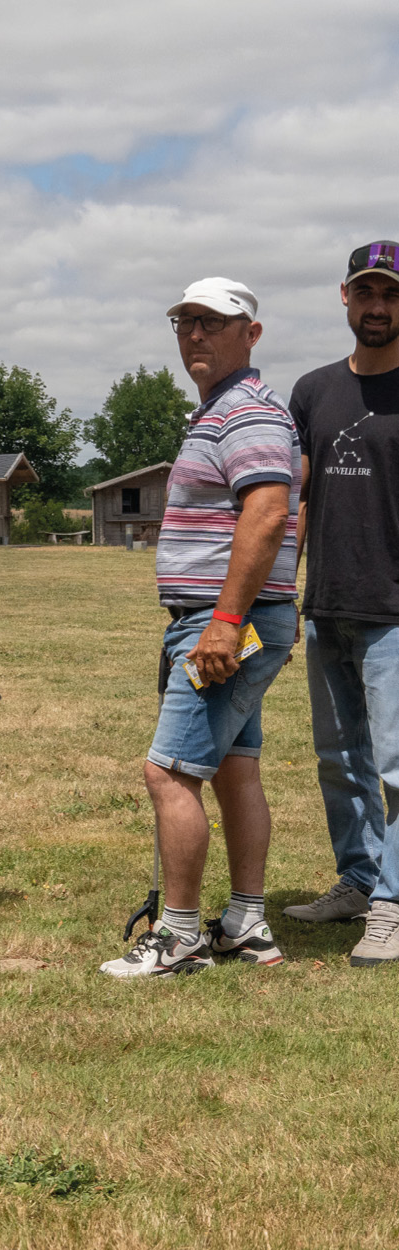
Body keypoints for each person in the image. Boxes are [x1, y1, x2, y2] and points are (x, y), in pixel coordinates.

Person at [101, 277, 300, 977]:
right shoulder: (221, 412)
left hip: (226, 625)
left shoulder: (244, 412)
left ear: (250, 334)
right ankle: (246, 923)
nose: (195, 334)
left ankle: (179, 937)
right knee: (234, 768)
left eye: (212, 323)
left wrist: (221, 622)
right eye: (185, 322)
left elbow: (268, 512)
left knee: (169, 773)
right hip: (236, 620)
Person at [283, 241, 399, 966]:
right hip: (326, 604)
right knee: (338, 757)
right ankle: (357, 880)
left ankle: (392, 901)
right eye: (367, 293)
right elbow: (292, 500)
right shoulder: (312, 391)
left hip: (395, 613)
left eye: (390, 295)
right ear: (346, 298)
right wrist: (275, 596)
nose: (379, 307)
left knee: (396, 766)